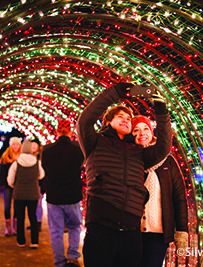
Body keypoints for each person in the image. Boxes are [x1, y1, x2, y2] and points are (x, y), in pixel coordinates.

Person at [76, 82, 172, 267]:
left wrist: (161, 110)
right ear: (107, 122)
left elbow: (163, 147)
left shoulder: (139, 152)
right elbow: (84, 121)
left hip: (131, 231)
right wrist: (115, 93)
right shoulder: (94, 142)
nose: (126, 119)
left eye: (129, 118)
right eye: (120, 116)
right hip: (101, 228)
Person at [131, 115, 189, 267]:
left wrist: (182, 230)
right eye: (135, 130)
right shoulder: (129, 161)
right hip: (131, 232)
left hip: (158, 233)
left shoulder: (168, 161)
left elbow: (179, 197)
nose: (141, 133)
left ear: (151, 132)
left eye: (145, 129)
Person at [41, 119, 84, 267]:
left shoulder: (46, 150)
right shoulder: (78, 148)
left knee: (56, 231)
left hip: (54, 196)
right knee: (75, 227)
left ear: (57, 131)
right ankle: (73, 256)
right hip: (73, 195)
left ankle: (59, 261)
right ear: (71, 132)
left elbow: (45, 170)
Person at [7, 140, 45, 248]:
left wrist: (16, 185)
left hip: (19, 194)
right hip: (33, 193)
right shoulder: (37, 163)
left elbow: (10, 179)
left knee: (20, 217)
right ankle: (34, 241)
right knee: (33, 217)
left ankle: (21, 241)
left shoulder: (16, 163)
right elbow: (41, 175)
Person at [0, 136, 21, 236]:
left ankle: (15, 227)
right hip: (7, 185)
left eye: (17, 144)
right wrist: (2, 184)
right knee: (7, 206)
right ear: (10, 145)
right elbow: (2, 172)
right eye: (13, 144)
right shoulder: (6, 157)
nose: (15, 146)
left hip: (18, 186)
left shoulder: (21, 157)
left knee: (17, 206)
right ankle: (8, 228)